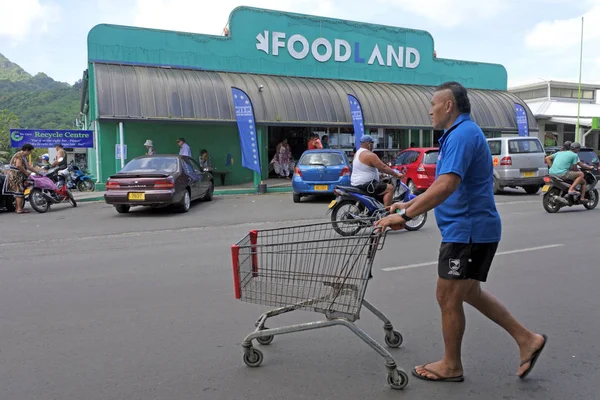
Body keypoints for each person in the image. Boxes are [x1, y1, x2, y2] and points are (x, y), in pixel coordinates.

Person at [375, 82, 547, 382]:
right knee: (469, 293)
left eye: (433, 104)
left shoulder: (462, 135)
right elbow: (447, 185)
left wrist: (407, 214)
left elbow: (447, 185)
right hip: (469, 230)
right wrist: (409, 203)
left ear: (448, 106)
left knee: (447, 296)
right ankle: (527, 339)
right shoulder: (459, 134)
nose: (429, 110)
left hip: (467, 232)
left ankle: (452, 365)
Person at [350, 135, 403, 207]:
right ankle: (386, 213)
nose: (373, 146)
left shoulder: (357, 153)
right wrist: (396, 174)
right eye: (372, 144)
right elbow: (383, 167)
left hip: (356, 183)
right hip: (366, 184)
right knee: (390, 188)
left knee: (381, 187)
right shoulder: (370, 155)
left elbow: (362, 168)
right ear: (369, 144)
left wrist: (378, 174)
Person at [2, 144, 37, 214]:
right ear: (26, 150)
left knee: (18, 193)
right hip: (16, 176)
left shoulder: (23, 157)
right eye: (30, 151)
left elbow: (29, 167)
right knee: (19, 193)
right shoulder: (19, 155)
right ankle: (19, 209)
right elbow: (18, 165)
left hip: (18, 175)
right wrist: (26, 172)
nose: (30, 153)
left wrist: (38, 173)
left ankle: (18, 208)